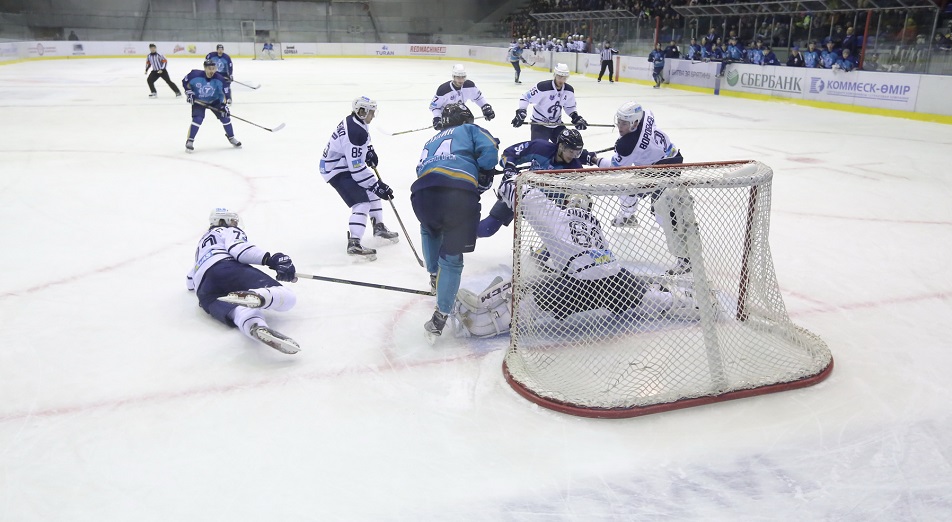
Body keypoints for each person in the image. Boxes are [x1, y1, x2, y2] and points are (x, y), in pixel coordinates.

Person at [455, 186, 700, 336]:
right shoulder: (595, 223)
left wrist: (510, 182)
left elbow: (523, 194)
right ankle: (693, 305)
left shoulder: (559, 215)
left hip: (578, 286)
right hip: (615, 280)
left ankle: (482, 324)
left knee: (530, 302)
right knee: (648, 297)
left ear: (568, 203)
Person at [411, 103, 500, 342]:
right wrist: (485, 172)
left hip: (421, 195)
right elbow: (490, 151)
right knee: (452, 257)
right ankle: (440, 316)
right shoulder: (469, 130)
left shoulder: (430, 140)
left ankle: (433, 275)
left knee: (429, 229)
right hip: (457, 195)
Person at [590, 101, 692, 275]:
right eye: (619, 122)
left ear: (634, 123)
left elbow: (614, 168)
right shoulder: (646, 115)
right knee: (628, 187)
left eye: (624, 123)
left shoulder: (628, 145)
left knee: (662, 212)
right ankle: (628, 216)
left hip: (663, 169)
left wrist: (594, 159)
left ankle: (685, 259)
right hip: (670, 157)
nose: (620, 126)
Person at [186, 208, 300, 354]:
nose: (236, 223)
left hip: (205, 291)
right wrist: (271, 259)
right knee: (287, 297)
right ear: (222, 221)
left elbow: (190, 281)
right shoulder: (227, 230)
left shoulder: (202, 244)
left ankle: (255, 327)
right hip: (226, 268)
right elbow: (238, 249)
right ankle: (259, 296)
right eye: (233, 220)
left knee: (240, 312)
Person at [477, 129, 597, 238]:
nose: (574, 156)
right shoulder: (540, 147)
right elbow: (510, 153)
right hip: (522, 193)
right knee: (488, 228)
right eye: (571, 152)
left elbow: (574, 197)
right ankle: (462, 239)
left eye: (577, 153)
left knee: (559, 233)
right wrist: (509, 167)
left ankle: (542, 254)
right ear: (561, 146)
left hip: (546, 207)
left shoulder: (575, 169)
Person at [319, 96, 398, 261]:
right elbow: (357, 171)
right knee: (362, 203)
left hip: (341, 163)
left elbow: (364, 142)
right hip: (336, 169)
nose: (373, 116)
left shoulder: (355, 122)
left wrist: (369, 150)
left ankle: (379, 228)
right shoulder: (356, 133)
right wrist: (376, 185)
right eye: (371, 112)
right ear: (361, 112)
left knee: (372, 193)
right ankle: (354, 243)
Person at [511, 63, 587, 142]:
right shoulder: (542, 87)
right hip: (539, 124)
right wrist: (521, 112)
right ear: (555, 75)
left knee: (568, 144)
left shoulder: (569, 90)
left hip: (557, 125)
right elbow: (525, 97)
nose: (561, 80)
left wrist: (575, 117)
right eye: (559, 77)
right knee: (539, 150)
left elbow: (569, 107)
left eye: (564, 78)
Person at [181, 59, 240, 153]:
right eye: (209, 68)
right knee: (197, 119)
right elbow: (185, 82)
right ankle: (190, 140)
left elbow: (224, 93)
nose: (212, 71)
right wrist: (189, 92)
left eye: (213, 68)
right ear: (205, 68)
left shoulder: (219, 79)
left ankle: (231, 137)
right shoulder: (194, 75)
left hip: (214, 101)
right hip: (199, 101)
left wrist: (223, 105)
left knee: (225, 118)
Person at [429, 64, 495, 130]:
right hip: (447, 120)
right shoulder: (443, 90)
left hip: (462, 117)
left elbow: (478, 98)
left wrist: (485, 107)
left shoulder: (469, 86)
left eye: (463, 77)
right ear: (453, 77)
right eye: (458, 77)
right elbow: (434, 107)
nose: (461, 80)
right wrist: (437, 118)